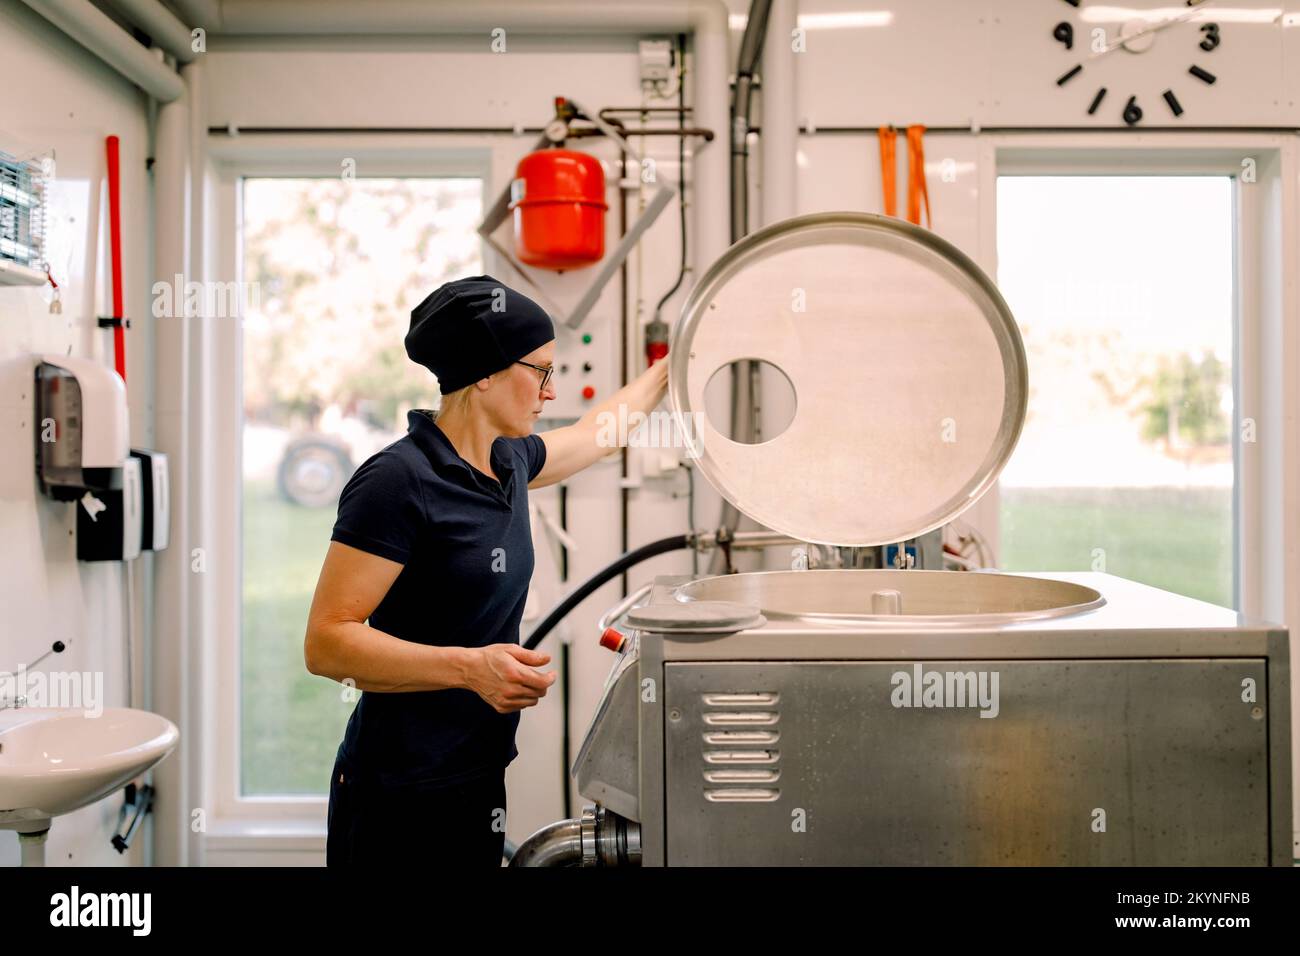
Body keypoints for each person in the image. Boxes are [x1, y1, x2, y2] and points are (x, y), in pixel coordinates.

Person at [304, 274, 669, 866]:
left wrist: (674, 366)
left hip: (476, 774)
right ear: (486, 372)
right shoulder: (399, 481)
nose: (552, 392)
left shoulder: (511, 459)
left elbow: (595, 434)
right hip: (399, 792)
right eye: (542, 371)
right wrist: (471, 668)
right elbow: (326, 643)